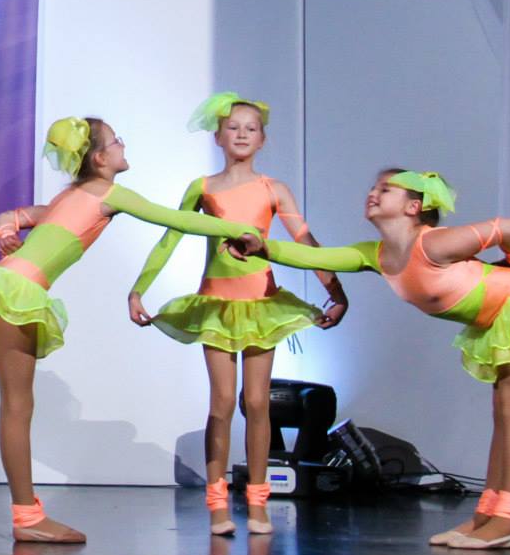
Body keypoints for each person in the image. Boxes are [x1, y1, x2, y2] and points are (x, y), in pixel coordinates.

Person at [229, 169, 510, 550]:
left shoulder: (434, 243)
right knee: (503, 414)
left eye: (386, 189)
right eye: (373, 186)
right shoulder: (376, 254)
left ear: (414, 207)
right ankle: (487, 517)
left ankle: (508, 522)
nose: (373, 192)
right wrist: (263, 248)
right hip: (495, 315)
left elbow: (507, 227)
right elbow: (315, 255)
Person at [0, 116, 255, 543]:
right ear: (99, 158)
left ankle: (23, 514)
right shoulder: (108, 193)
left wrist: (5, 229)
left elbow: (14, 214)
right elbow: (178, 220)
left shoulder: (69, 196)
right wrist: (239, 229)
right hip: (18, 291)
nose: (122, 146)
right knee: (17, 408)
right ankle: (27, 519)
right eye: (116, 141)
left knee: (13, 406)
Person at [126, 92, 348, 533]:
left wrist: (335, 290)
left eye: (251, 128)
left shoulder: (273, 189)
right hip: (217, 305)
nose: (242, 134)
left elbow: (304, 243)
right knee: (223, 401)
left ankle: (259, 503)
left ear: (263, 139)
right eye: (233, 127)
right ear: (218, 137)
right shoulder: (203, 188)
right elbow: (171, 237)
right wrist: (139, 289)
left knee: (257, 401)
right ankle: (217, 505)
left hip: (262, 304)